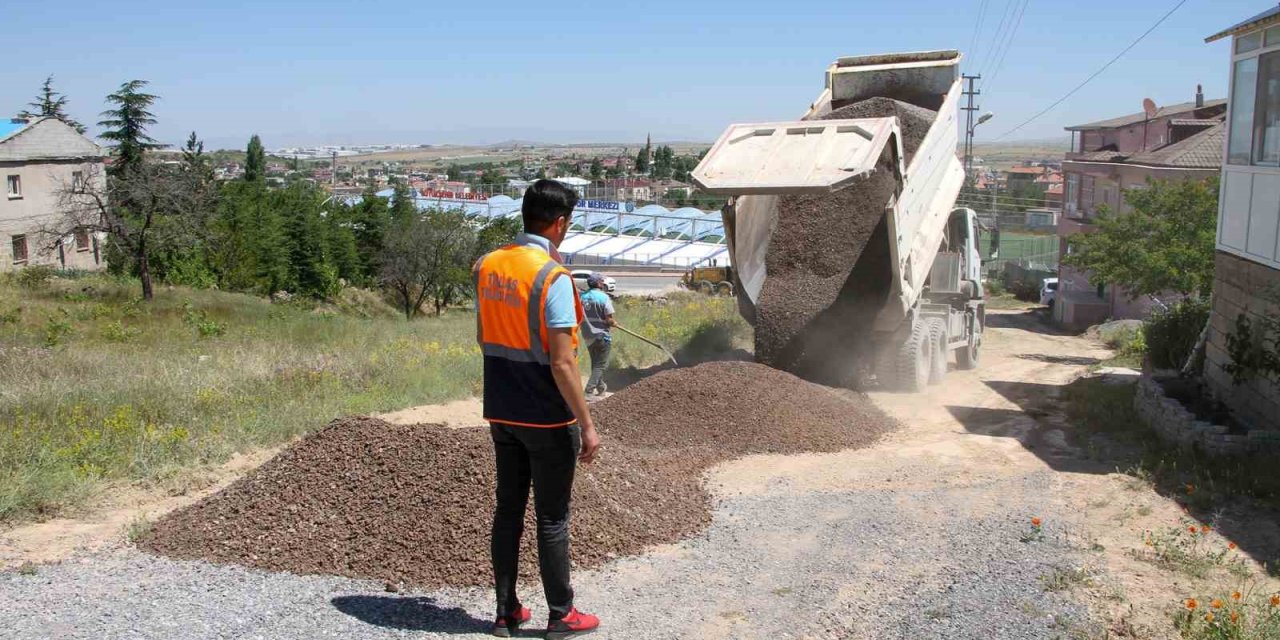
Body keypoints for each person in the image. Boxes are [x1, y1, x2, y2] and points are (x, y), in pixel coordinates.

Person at [473, 179, 602, 640]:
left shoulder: (487, 265)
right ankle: (561, 615)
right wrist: (586, 424)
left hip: (500, 408)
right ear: (560, 223)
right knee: (552, 517)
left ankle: (506, 611)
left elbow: (483, 334)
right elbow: (564, 360)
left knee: (508, 510)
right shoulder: (552, 277)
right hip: (547, 416)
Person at [579, 274, 615, 396]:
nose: (603, 282)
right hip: (601, 335)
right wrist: (613, 323)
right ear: (599, 284)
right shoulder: (603, 297)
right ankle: (588, 392)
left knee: (595, 363)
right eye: (602, 281)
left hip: (587, 335)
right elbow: (609, 319)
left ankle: (601, 387)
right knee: (600, 365)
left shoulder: (582, 297)